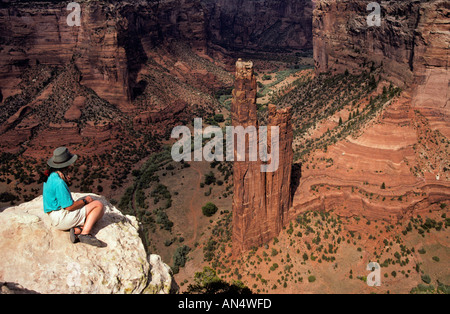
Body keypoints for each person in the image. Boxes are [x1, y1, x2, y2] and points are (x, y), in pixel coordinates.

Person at [43, 147, 105, 247]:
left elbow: (51, 190)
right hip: (62, 218)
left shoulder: (48, 174)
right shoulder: (59, 183)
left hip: (53, 216)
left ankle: (77, 229)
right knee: (98, 205)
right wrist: (85, 200)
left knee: (83, 206)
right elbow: (69, 207)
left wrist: (63, 179)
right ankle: (84, 234)